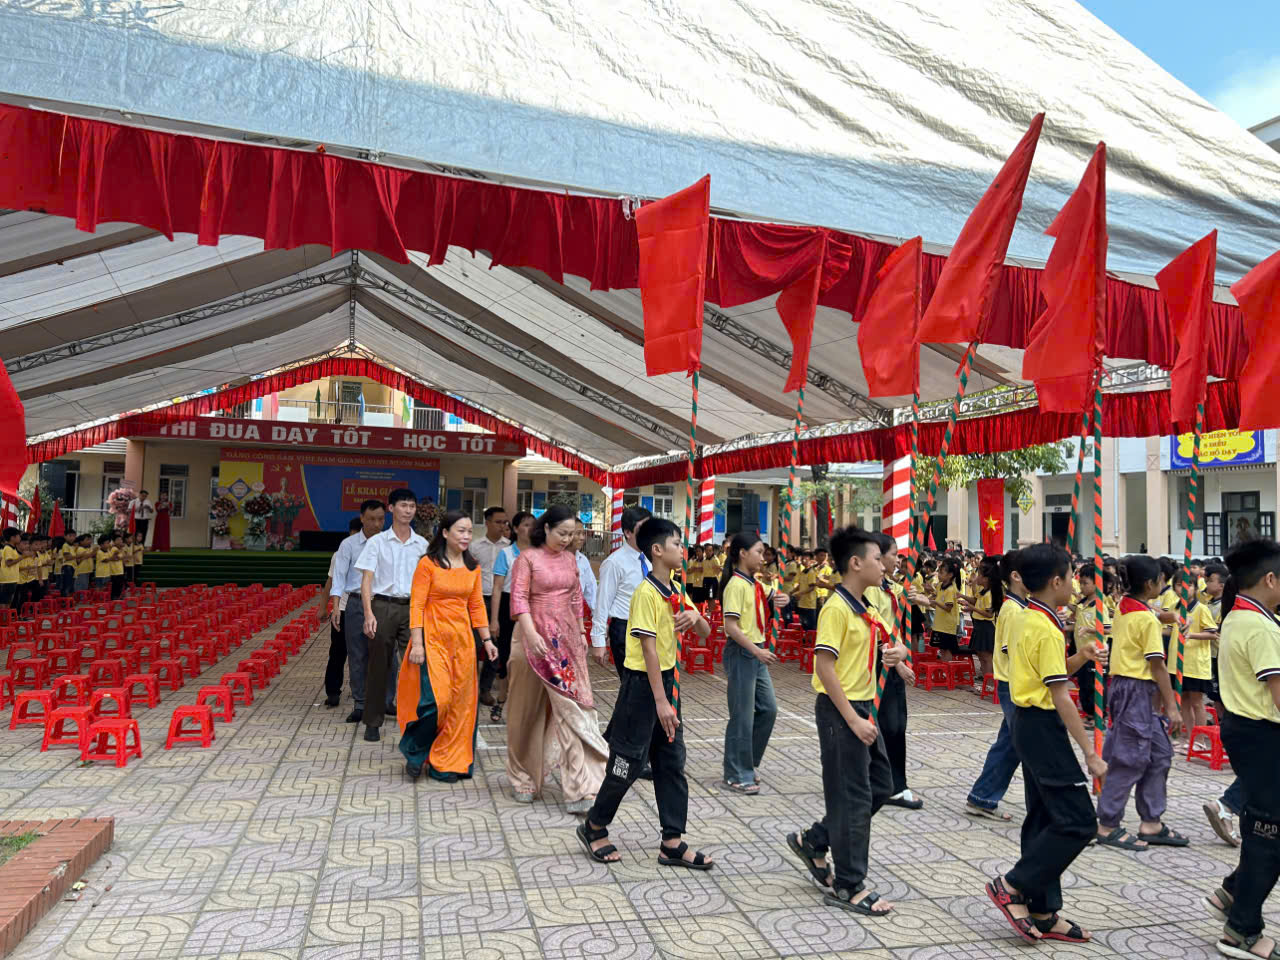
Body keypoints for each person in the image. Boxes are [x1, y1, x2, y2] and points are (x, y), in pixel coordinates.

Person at [984, 543, 1107, 945]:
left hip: (1027, 723)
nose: (1073, 584)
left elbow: (1049, 674)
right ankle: (1012, 885)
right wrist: (1090, 753)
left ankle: (1043, 909)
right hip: (1041, 727)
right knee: (1078, 821)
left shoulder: (1027, 617)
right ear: (1056, 581)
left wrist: (1082, 656)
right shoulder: (1044, 626)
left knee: (1043, 818)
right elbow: (1060, 696)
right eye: (1071, 577)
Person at [577, 517, 713, 870]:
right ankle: (594, 826)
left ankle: (672, 841)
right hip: (642, 689)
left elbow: (704, 631)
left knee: (671, 762)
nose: (682, 549)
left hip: (667, 685)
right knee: (627, 762)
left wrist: (693, 617)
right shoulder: (645, 593)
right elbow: (649, 650)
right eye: (677, 544)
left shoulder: (676, 589)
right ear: (657, 550)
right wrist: (662, 703)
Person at [785, 526, 904, 915]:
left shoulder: (865, 606)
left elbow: (882, 643)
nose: (884, 565)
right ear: (855, 563)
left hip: (861, 707)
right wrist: (852, 719)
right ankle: (849, 885)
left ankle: (815, 840)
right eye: (877, 559)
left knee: (881, 784)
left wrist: (896, 656)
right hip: (842, 711)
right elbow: (824, 666)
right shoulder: (836, 608)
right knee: (851, 796)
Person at [1201, 539, 1280, 960]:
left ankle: (1232, 893)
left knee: (1261, 827)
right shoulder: (1262, 628)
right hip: (1262, 734)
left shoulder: (1237, 616)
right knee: (1270, 834)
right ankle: (1241, 931)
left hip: (1243, 729)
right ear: (1270, 579)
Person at [504, 506, 609, 810]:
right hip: (530, 639)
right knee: (524, 712)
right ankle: (522, 777)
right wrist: (531, 633)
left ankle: (581, 786)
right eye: (562, 533)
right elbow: (519, 599)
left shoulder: (570, 559)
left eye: (572, 534)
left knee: (572, 710)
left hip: (565, 641)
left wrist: (581, 631)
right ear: (546, 528)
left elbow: (576, 597)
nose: (567, 540)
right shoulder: (527, 559)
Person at [1095, 554, 1186, 850]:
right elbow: (1157, 666)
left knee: (1160, 755)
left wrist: (1165, 616)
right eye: (1161, 580)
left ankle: (1151, 822)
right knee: (1130, 758)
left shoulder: (1126, 605)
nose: (1163, 584)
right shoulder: (1144, 618)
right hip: (1135, 688)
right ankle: (1107, 824)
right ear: (1150, 584)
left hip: (1132, 690)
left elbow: (1148, 613)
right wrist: (1172, 706)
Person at [399, 510, 497, 780]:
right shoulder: (428, 564)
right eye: (461, 531)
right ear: (444, 533)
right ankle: (415, 751)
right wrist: (416, 644)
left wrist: (487, 640)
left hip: (463, 642)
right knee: (436, 701)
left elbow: (476, 605)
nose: (466, 536)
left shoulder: (472, 566)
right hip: (433, 640)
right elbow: (417, 605)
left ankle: (447, 761)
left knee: (460, 704)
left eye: (469, 531)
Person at [355, 489, 427, 743]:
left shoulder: (422, 545)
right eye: (403, 505)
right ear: (391, 508)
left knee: (415, 665)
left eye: (412, 506)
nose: (408, 510)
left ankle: (414, 719)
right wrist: (368, 613)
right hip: (383, 607)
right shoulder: (377, 542)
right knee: (379, 666)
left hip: (413, 609)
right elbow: (367, 580)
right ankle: (372, 722)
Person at [719, 531, 787, 795]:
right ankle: (735, 773)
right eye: (758, 552)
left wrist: (783, 598)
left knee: (768, 709)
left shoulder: (754, 584)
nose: (763, 557)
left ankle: (747, 763)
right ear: (742, 553)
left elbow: (772, 595)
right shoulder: (736, 585)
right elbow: (731, 626)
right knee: (742, 716)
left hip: (755, 653)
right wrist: (757, 651)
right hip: (743, 653)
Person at [967, 551, 1027, 821]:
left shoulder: (1018, 606)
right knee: (1026, 743)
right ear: (1016, 576)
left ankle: (982, 796)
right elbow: (1012, 651)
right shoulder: (1013, 610)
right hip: (1013, 683)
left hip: (1014, 683)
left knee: (1010, 744)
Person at [865, 533, 921, 810]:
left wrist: (917, 596)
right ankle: (891, 786)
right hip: (879, 662)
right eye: (894, 554)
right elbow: (876, 628)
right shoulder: (869, 590)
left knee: (897, 725)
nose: (898, 560)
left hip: (892, 658)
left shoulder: (890, 586)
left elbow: (907, 597)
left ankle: (890, 782)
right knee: (886, 725)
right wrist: (897, 664)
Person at [330, 499, 386, 718]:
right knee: (357, 654)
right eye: (371, 519)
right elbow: (339, 577)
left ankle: (384, 701)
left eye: (380, 519)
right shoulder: (348, 545)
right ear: (362, 518)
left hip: (382, 603)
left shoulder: (389, 544)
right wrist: (336, 606)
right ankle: (360, 703)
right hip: (354, 604)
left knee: (384, 655)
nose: (376, 524)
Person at [591, 506, 653, 674]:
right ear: (628, 532)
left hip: (649, 628)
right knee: (632, 681)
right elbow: (602, 602)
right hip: (625, 629)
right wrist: (598, 641)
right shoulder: (614, 562)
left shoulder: (651, 560)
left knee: (649, 682)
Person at [488, 511, 533, 720]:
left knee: (528, 657)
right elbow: (497, 588)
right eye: (525, 525)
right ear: (515, 529)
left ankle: (523, 704)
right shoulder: (506, 554)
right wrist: (494, 620)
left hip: (532, 607)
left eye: (533, 525)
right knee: (506, 656)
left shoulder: (540, 552)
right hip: (508, 606)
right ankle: (501, 699)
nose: (530, 529)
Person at [322, 517, 365, 709]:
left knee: (359, 654)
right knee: (339, 652)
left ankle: (361, 693)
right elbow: (331, 582)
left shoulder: (374, 551)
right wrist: (324, 607)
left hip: (364, 610)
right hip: (343, 610)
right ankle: (333, 692)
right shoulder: (340, 553)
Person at [472, 506, 510, 706]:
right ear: (487, 523)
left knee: (494, 645)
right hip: (477, 600)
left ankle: (485, 689)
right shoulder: (474, 547)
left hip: (500, 602)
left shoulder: (509, 547)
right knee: (473, 645)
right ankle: (468, 687)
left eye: (505, 522)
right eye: (498, 522)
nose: (502, 526)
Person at [925, 556, 962, 662]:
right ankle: (944, 667)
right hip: (939, 624)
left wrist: (936, 602)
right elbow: (936, 598)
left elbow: (948, 608)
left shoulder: (951, 589)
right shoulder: (940, 585)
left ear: (950, 575)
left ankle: (948, 667)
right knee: (942, 649)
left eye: (941, 573)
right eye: (938, 572)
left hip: (947, 626)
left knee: (947, 650)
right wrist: (929, 594)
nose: (938, 575)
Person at [570, 518, 597, 614]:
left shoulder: (583, 560)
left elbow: (592, 591)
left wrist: (598, 615)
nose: (582, 538)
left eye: (583, 533)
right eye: (578, 533)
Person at [0, 527, 19, 609]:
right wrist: (22, 557)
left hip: (12, 578)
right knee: (4, 601)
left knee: (8, 601)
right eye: (18, 536)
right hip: (7, 579)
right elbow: (9, 563)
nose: (20, 538)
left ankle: (6, 616)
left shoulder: (12, 548)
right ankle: (3, 616)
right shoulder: (8, 548)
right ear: (12, 538)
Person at [108, 532, 126, 599]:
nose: (120, 541)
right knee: (115, 585)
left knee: (119, 585)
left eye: (121, 539)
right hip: (115, 571)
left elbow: (122, 557)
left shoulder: (120, 549)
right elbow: (115, 558)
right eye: (118, 540)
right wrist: (118, 557)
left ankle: (118, 596)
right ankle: (114, 597)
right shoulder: (114, 548)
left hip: (120, 570)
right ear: (114, 541)